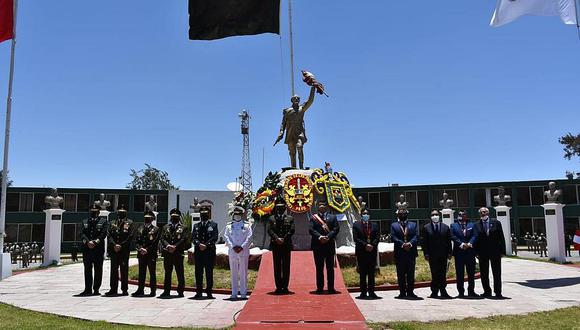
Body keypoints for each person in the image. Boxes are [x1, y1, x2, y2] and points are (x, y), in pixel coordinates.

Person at [473, 207, 506, 298]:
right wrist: (476, 252)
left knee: (497, 272)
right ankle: (487, 291)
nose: (483, 214)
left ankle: (498, 292)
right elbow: (475, 239)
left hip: (495, 252)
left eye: (485, 212)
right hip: (482, 253)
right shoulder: (476, 225)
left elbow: (501, 237)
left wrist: (502, 251)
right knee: (484, 273)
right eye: (481, 212)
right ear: (479, 214)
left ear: (488, 213)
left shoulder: (496, 223)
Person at [309, 200, 340, 294]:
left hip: (329, 245)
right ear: (317, 207)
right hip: (318, 245)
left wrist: (328, 236)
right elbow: (311, 229)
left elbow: (336, 229)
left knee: (330, 268)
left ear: (326, 207)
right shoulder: (313, 217)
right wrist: (320, 237)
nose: (322, 206)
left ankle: (331, 288)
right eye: (320, 205)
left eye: (323, 205)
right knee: (319, 268)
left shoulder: (333, 217)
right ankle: (320, 288)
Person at [78, 203, 108, 296]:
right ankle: (87, 289)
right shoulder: (85, 221)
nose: (93, 213)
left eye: (95, 212)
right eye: (92, 212)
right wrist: (88, 242)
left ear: (99, 212)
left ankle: (96, 289)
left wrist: (94, 242)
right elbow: (82, 234)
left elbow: (103, 234)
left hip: (98, 250)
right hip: (87, 249)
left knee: (98, 270)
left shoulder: (103, 222)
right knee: (87, 269)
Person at [267, 198, 295, 294]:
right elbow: (270, 230)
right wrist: (276, 238)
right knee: (277, 266)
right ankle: (278, 287)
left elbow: (292, 230)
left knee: (286, 266)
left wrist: (283, 239)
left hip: (286, 245)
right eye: (278, 207)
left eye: (282, 207)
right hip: (276, 245)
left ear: (285, 207)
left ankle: (285, 287)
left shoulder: (290, 218)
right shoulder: (271, 218)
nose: (280, 209)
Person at [105, 205, 134, 296]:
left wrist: (120, 245)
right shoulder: (112, 222)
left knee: (124, 270)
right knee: (113, 270)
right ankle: (113, 289)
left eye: (123, 212)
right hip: (114, 250)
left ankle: (124, 289)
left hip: (124, 250)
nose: (121, 213)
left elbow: (130, 236)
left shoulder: (130, 222)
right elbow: (109, 235)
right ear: (117, 213)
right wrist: (114, 245)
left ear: (125, 213)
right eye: (119, 212)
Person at [224, 206, 253, 300]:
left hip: (243, 251)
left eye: (239, 214)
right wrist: (233, 246)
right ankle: (234, 292)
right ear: (233, 215)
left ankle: (243, 292)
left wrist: (242, 247)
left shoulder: (247, 225)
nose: (237, 216)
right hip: (232, 251)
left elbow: (249, 237)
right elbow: (226, 236)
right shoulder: (229, 226)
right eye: (235, 214)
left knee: (243, 272)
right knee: (234, 272)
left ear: (242, 215)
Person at [422, 209, 452, 299]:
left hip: (443, 254)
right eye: (433, 215)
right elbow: (424, 242)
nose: (435, 216)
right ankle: (434, 292)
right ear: (430, 217)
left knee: (442, 273)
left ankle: (443, 291)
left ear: (439, 216)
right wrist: (426, 253)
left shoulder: (445, 227)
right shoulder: (426, 227)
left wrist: (450, 252)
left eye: (436, 214)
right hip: (432, 255)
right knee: (434, 273)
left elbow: (448, 241)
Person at [390, 209, 419, 299]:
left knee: (411, 273)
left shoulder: (413, 225)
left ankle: (410, 292)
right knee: (400, 274)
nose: (402, 215)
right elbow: (393, 237)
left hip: (411, 253)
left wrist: (410, 244)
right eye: (400, 214)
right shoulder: (394, 225)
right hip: (400, 253)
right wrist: (402, 244)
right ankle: (402, 292)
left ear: (407, 214)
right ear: (398, 215)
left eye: (404, 213)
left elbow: (416, 236)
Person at [192, 204, 218, 299]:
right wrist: (199, 244)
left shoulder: (214, 225)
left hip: (209, 252)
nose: (204, 216)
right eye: (202, 214)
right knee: (198, 273)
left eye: (205, 214)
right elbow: (194, 238)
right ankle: (198, 292)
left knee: (209, 272)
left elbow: (215, 237)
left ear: (209, 214)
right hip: (199, 252)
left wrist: (205, 245)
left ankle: (209, 292)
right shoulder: (196, 225)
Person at [132, 210, 160, 297]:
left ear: (152, 219)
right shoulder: (140, 228)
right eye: (145, 218)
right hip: (141, 254)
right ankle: (140, 290)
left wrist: (146, 249)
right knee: (141, 273)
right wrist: (140, 249)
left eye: (149, 218)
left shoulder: (156, 229)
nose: (147, 219)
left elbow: (155, 242)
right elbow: (137, 241)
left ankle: (152, 290)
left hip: (150, 254)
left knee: (152, 273)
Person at [352, 209, 379, 299]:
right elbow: (356, 238)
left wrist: (372, 245)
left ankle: (372, 292)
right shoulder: (356, 225)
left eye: (367, 213)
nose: (366, 215)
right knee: (362, 274)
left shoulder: (374, 225)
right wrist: (365, 245)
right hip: (362, 252)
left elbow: (377, 237)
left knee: (371, 274)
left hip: (372, 252)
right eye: (364, 213)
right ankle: (363, 292)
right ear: (361, 215)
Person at [159, 208, 186, 298]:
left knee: (180, 273)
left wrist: (175, 247)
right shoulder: (165, 227)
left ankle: (181, 291)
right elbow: (162, 238)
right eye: (173, 217)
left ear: (179, 218)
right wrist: (168, 246)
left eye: (176, 217)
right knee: (167, 273)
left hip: (177, 253)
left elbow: (183, 239)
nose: (174, 218)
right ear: (170, 217)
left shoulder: (183, 227)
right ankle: (166, 291)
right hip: (167, 253)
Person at [450, 211, 478, 298]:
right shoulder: (453, 225)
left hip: (470, 252)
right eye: (460, 215)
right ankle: (461, 292)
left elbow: (475, 235)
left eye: (463, 214)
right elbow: (452, 236)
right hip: (459, 253)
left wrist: (469, 244)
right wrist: (461, 244)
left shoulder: (472, 225)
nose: (461, 216)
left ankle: (471, 291)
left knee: (471, 273)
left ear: (466, 216)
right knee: (460, 273)